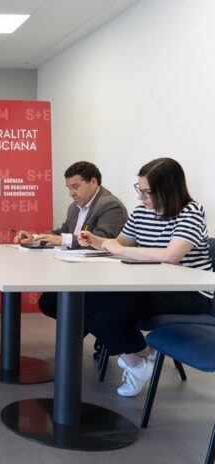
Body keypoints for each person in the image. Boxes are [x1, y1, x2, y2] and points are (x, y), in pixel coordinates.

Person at [79, 157, 212, 397]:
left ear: (168, 190)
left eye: (147, 192)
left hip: (189, 291)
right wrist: (96, 241)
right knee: (86, 300)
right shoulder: (142, 212)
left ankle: (137, 361)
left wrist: (119, 249)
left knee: (111, 314)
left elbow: (171, 256)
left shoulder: (191, 212)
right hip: (151, 284)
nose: (141, 198)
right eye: (139, 190)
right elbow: (120, 244)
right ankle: (139, 357)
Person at [14, 161, 128, 334]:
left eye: (75, 187)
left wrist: (62, 239)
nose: (71, 193)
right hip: (77, 273)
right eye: (68, 188)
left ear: (93, 182)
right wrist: (35, 238)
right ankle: (94, 334)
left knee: (62, 303)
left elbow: (103, 241)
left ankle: (104, 337)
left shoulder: (111, 205)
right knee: (48, 302)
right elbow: (63, 232)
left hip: (100, 277)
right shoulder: (74, 207)